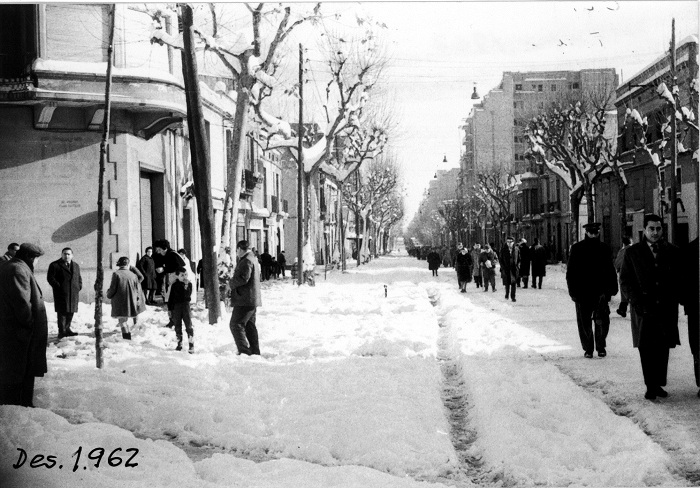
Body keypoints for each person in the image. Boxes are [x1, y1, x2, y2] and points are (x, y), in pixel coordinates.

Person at [620, 214, 681, 400]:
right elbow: (625, 280)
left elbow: (679, 278)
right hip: (643, 309)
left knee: (663, 347)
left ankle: (659, 383)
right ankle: (650, 385)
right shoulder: (633, 253)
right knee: (646, 348)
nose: (655, 232)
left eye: (658, 228)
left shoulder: (672, 251)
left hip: (665, 308)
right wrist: (635, 300)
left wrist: (675, 296)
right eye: (651, 229)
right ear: (644, 230)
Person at [0, 243, 48, 407]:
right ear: (30, 257)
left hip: (17, 331)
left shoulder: (14, 266)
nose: (37, 263)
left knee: (20, 369)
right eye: (37, 260)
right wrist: (30, 327)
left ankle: (21, 404)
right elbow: (22, 304)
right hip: (18, 332)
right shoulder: (17, 269)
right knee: (19, 370)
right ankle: (18, 407)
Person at [567, 222, 619, 359]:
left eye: (596, 232)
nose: (594, 234)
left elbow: (610, 269)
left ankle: (600, 346)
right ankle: (589, 348)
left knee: (602, 320)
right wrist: (573, 292)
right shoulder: (577, 248)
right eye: (591, 232)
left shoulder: (604, 248)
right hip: (583, 292)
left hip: (600, 292)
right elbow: (571, 272)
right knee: (585, 322)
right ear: (586, 233)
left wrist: (612, 288)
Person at [229, 240, 262, 356]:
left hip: (245, 299)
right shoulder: (252, 258)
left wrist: (230, 283)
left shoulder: (246, 260)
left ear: (239, 249)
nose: (236, 253)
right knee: (249, 326)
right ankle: (255, 351)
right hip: (251, 299)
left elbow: (244, 278)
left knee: (235, 324)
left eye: (236, 250)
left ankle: (244, 351)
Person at [46, 247, 82, 339]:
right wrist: (59, 287)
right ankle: (62, 331)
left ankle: (67, 329)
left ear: (72, 255)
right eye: (64, 254)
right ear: (61, 255)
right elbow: (50, 278)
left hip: (73, 292)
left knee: (71, 311)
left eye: (68, 254)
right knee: (62, 312)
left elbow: (79, 277)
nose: (66, 255)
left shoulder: (76, 265)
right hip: (61, 293)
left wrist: (79, 286)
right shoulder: (55, 265)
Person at [679, 237, 699, 398]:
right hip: (696, 308)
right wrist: (686, 302)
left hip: (694, 307)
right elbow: (683, 280)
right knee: (698, 346)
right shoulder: (691, 249)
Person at [106, 257, 143, 340]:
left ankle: (126, 338)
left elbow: (113, 289)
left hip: (120, 301)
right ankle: (128, 337)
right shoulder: (133, 275)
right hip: (131, 301)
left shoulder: (116, 274)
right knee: (125, 320)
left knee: (122, 320)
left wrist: (108, 294)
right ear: (127, 264)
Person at [168, 267, 194, 354]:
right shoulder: (174, 285)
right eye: (182, 275)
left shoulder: (189, 284)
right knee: (177, 325)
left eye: (186, 275)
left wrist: (186, 286)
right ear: (177, 276)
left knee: (188, 325)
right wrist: (170, 309)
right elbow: (171, 298)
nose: (184, 277)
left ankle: (191, 344)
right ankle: (179, 343)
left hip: (185, 306)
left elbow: (187, 296)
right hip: (176, 307)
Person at [614, 236, 633, 318]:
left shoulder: (623, 251)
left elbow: (617, 263)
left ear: (624, 243)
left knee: (624, 291)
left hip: (625, 273)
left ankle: (623, 309)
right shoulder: (635, 249)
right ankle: (623, 309)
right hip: (635, 274)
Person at [500, 236, 520, 302]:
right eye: (507, 242)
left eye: (510, 242)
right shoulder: (503, 250)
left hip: (514, 269)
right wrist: (502, 267)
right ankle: (507, 294)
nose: (509, 243)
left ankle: (513, 297)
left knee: (513, 283)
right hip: (506, 268)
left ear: (513, 242)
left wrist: (518, 266)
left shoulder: (516, 249)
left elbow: (519, 259)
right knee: (507, 283)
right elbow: (501, 260)